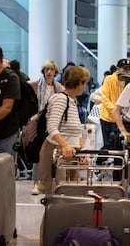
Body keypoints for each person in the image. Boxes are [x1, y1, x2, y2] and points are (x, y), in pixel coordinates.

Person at [39, 65, 90, 194]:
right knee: (56, 193)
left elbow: (77, 131)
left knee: (70, 192)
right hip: (57, 151)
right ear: (78, 83)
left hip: (71, 152)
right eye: (84, 83)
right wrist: (65, 146)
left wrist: (82, 151)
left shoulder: (72, 101)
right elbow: (51, 126)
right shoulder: (60, 99)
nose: (85, 86)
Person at [27, 60, 63, 195]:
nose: (48, 72)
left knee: (52, 154)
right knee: (38, 153)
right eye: (46, 69)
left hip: (53, 122)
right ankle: (36, 183)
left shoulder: (58, 87)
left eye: (51, 70)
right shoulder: (35, 84)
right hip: (39, 123)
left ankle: (49, 182)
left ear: (55, 72)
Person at [100, 59, 130, 149]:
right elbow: (104, 97)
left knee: (119, 144)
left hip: (121, 120)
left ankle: (117, 162)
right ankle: (100, 160)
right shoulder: (109, 79)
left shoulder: (129, 82)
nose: (127, 71)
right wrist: (115, 110)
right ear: (118, 69)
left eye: (128, 69)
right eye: (124, 69)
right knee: (108, 144)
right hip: (107, 118)